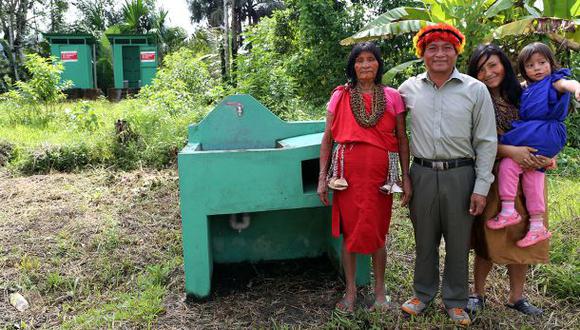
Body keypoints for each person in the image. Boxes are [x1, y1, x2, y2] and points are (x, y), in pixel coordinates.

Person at [397, 23, 497, 326]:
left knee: (458, 240)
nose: (439, 54)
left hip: (461, 174)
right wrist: (402, 177)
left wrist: (481, 186)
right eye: (432, 48)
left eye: (446, 48)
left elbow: (486, 141)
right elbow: (394, 134)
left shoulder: (475, 89)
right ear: (422, 53)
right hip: (422, 172)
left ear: (456, 52)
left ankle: (455, 300)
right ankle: (423, 293)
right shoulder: (407, 89)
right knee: (424, 238)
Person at [317, 42, 412, 313]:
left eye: (371, 59)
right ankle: (350, 292)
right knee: (350, 232)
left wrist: (405, 177)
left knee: (377, 231)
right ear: (353, 65)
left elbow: (401, 138)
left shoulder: (393, 96)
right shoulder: (340, 95)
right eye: (359, 60)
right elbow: (328, 138)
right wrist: (322, 177)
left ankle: (380, 293)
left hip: (381, 177)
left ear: (379, 64)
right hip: (345, 176)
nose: (365, 64)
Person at [466, 43, 555, 316]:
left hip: (529, 177)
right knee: (489, 238)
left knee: (524, 235)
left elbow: (546, 127)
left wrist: (549, 155)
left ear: (504, 64)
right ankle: (477, 294)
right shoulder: (475, 99)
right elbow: (473, 143)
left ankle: (517, 297)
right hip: (494, 179)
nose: (488, 73)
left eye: (493, 65)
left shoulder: (526, 96)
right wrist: (512, 151)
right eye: (481, 69)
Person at [485, 42, 580, 247]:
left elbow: (567, 85)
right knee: (530, 171)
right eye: (530, 65)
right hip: (537, 135)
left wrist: (578, 88)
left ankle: (509, 210)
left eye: (542, 63)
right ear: (523, 69)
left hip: (542, 132)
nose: (537, 68)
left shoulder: (554, 81)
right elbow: (516, 88)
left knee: (505, 148)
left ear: (551, 63)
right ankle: (536, 224)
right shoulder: (526, 88)